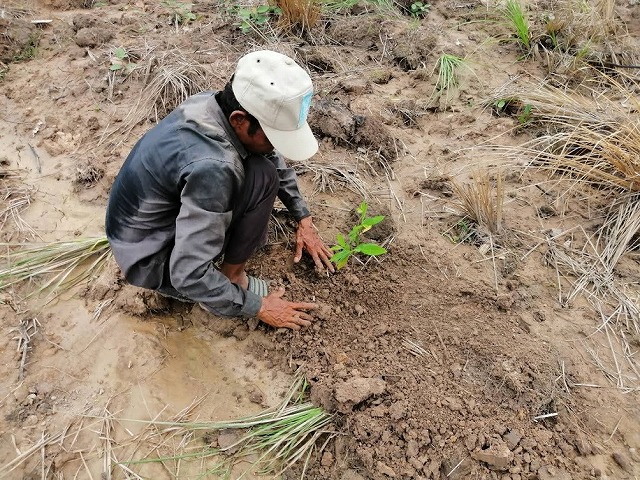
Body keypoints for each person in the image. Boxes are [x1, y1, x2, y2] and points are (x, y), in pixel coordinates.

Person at [105, 50, 335, 330]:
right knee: (262, 177)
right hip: (149, 259)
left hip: (140, 232)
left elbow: (271, 157)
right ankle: (230, 281)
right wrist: (259, 307)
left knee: (263, 167)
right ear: (240, 120)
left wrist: (303, 218)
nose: (275, 146)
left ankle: (227, 275)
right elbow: (187, 274)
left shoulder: (212, 104)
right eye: (273, 136)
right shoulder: (214, 167)